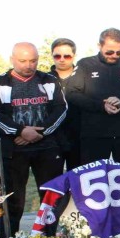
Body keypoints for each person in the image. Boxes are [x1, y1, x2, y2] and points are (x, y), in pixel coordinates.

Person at [0, 42, 67, 238]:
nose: (28, 65)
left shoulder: (49, 80)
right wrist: (20, 131)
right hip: (14, 148)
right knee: (12, 198)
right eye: (23, 61)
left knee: (50, 196)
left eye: (33, 60)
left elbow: (61, 109)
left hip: (47, 147)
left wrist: (40, 133)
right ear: (12, 59)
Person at [65, 28, 120, 166]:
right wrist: (101, 105)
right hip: (94, 134)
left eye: (119, 52)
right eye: (109, 52)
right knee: (94, 176)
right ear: (99, 46)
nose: (114, 55)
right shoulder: (85, 64)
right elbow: (71, 93)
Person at [48, 38, 81, 171]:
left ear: (74, 56)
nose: (62, 59)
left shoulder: (84, 77)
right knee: (53, 178)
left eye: (67, 56)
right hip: (53, 138)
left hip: (79, 138)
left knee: (78, 179)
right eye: (57, 56)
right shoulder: (44, 79)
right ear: (52, 55)